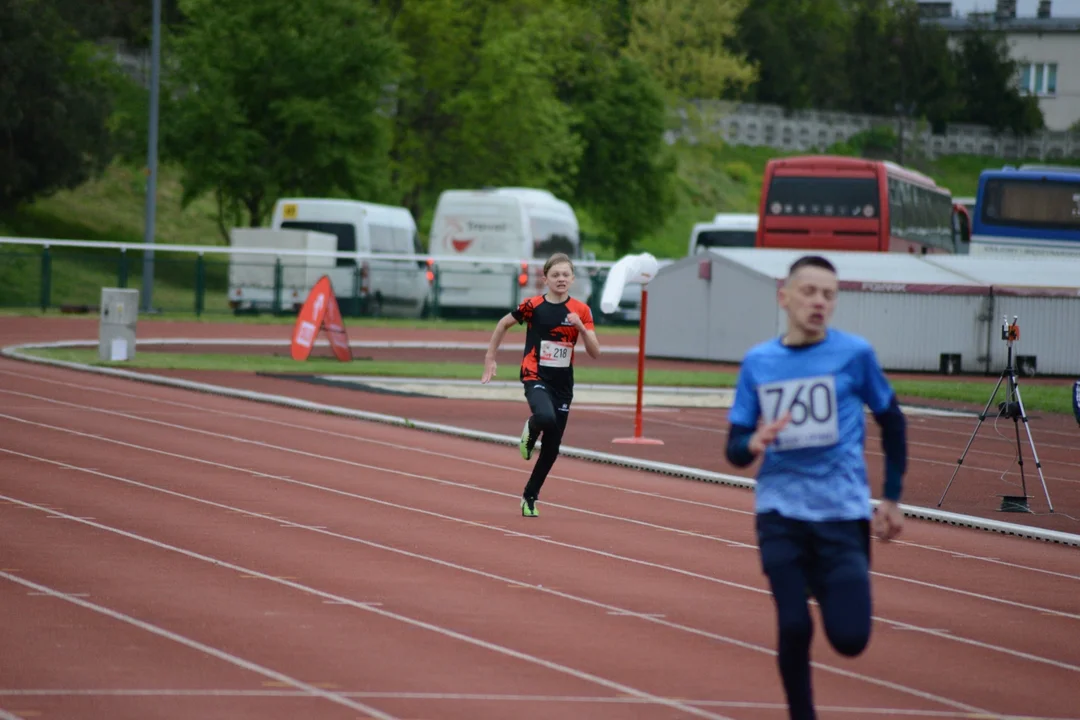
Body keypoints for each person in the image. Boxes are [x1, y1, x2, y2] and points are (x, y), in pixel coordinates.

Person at [724, 255, 907, 720]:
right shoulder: (759, 362)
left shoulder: (855, 355)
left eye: (829, 294)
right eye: (809, 292)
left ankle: (828, 582)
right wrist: (755, 441)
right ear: (784, 298)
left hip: (842, 515)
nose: (819, 302)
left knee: (849, 639)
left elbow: (893, 421)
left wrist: (891, 496)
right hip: (780, 513)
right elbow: (735, 450)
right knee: (793, 623)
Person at [481, 252, 601, 517]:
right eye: (555, 275)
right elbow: (503, 324)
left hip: (562, 385)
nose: (560, 279)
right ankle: (530, 429)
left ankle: (529, 497)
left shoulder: (581, 311)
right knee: (544, 417)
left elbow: (595, 351)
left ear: (572, 279)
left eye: (565, 275)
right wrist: (491, 357)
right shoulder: (533, 306)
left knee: (552, 448)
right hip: (534, 375)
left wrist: (581, 327)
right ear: (545, 279)